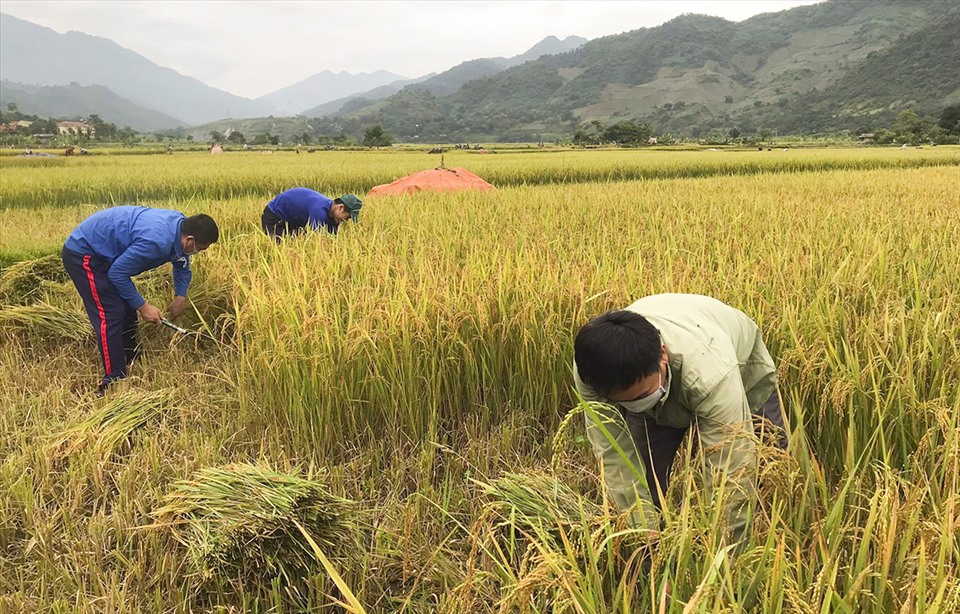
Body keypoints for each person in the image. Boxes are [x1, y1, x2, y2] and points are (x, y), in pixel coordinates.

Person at [573, 293, 788, 550]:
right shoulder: (591, 371)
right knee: (646, 475)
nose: (639, 405)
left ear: (662, 355)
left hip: (736, 366)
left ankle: (772, 541)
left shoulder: (712, 373)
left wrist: (729, 553)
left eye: (643, 396)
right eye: (628, 404)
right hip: (666, 368)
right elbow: (613, 451)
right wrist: (643, 529)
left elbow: (731, 466)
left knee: (767, 462)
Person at [61, 206, 219, 394]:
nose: (198, 253)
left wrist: (180, 296)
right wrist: (143, 307)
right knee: (111, 314)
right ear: (189, 240)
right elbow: (118, 274)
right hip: (85, 255)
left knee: (127, 308)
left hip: (109, 254)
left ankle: (130, 357)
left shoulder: (181, 229)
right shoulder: (155, 242)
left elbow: (182, 264)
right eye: (199, 249)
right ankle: (113, 379)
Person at [260, 187, 362, 241]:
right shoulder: (319, 210)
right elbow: (318, 241)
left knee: (298, 242)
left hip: (294, 219)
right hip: (275, 216)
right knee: (279, 248)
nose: (345, 220)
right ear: (340, 208)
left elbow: (332, 239)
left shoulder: (333, 215)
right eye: (348, 217)